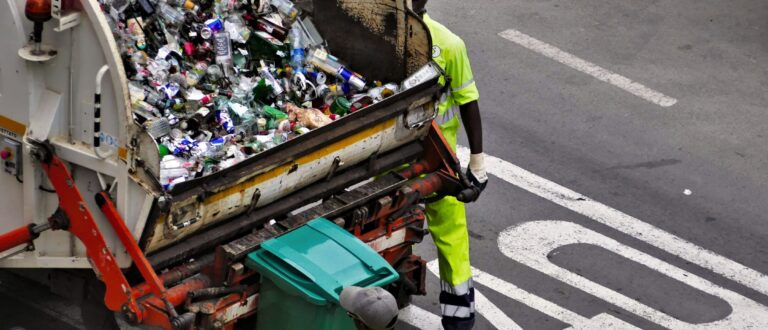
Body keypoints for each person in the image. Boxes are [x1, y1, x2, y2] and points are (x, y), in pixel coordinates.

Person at [411, 1, 488, 329]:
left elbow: (468, 102)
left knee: (453, 240)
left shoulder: (450, 45)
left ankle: (459, 321)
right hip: (398, 158)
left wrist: (478, 162)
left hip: (436, 161)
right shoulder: (384, 36)